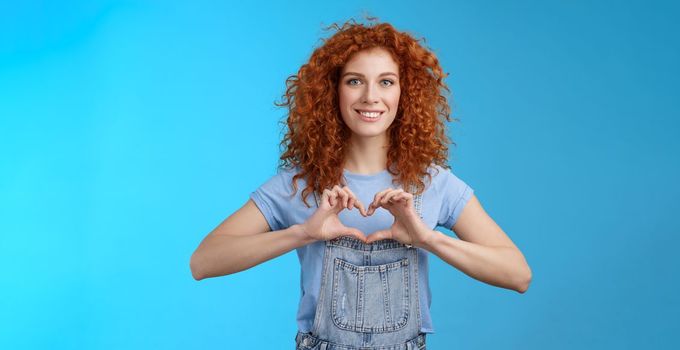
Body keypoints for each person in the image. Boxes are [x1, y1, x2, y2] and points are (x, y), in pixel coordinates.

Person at [189, 17, 532, 349]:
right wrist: (304, 233)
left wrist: (426, 239)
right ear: (332, 91)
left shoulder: (434, 183)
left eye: (386, 82)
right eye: (354, 81)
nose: (370, 96)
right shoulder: (299, 185)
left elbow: (517, 275)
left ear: (405, 92)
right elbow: (203, 262)